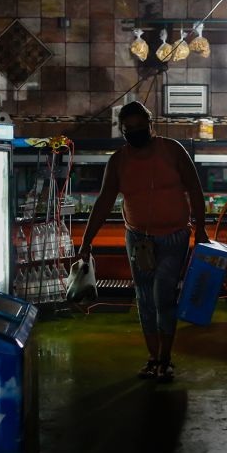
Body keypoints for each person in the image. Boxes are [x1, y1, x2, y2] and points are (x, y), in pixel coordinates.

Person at [78, 101, 210, 383]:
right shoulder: (118, 161)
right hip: (137, 238)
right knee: (144, 299)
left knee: (163, 296)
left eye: (140, 127)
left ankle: (165, 358)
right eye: (129, 129)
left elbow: (195, 190)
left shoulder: (172, 150)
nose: (135, 133)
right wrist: (87, 240)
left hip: (174, 235)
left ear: (151, 125)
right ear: (122, 131)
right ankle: (154, 358)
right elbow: (103, 203)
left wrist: (201, 229)